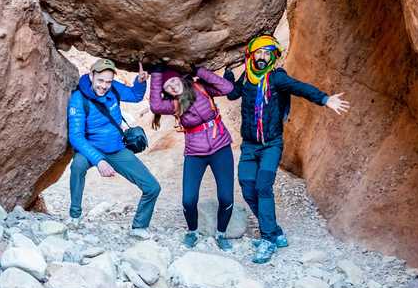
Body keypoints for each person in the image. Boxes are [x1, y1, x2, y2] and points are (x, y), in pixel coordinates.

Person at [225, 34, 348, 263]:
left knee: (263, 187)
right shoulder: (248, 77)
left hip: (271, 144)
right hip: (250, 146)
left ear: (273, 56)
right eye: (259, 52)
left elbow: (300, 88)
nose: (262, 57)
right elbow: (232, 94)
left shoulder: (276, 78)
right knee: (247, 187)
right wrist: (228, 74)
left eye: (267, 53)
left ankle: (268, 239)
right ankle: (275, 231)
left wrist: (324, 99)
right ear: (252, 55)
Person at [67, 58, 160, 238]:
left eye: (108, 81)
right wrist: (99, 161)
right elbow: (76, 136)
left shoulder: (114, 88)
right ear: (92, 75)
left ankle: (139, 227)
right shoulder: (78, 99)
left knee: (152, 187)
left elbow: (135, 96)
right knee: (77, 166)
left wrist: (140, 82)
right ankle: (75, 216)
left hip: (116, 148)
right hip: (91, 149)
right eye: (100, 80)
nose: (104, 86)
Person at [148, 63, 237, 250]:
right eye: (167, 87)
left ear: (180, 78)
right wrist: (156, 73)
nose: (172, 86)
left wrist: (199, 71)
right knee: (188, 199)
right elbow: (155, 105)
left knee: (226, 197)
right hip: (195, 153)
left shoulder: (201, 87)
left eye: (173, 80)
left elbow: (228, 88)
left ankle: (221, 234)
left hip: (220, 146)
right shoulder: (173, 104)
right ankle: (192, 231)